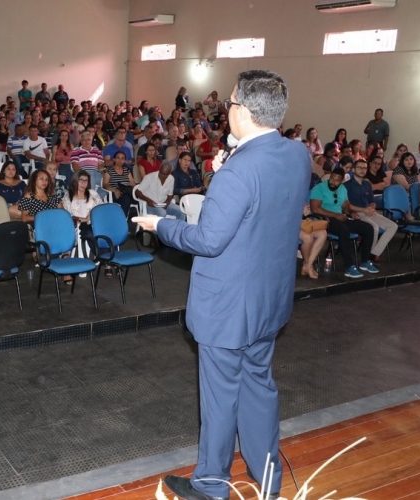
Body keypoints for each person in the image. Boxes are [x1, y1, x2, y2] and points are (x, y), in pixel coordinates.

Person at [134, 70, 310, 500]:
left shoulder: (237, 173)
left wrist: (161, 226)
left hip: (228, 306)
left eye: (230, 103)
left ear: (245, 112)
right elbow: (263, 203)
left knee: (220, 399)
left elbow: (208, 240)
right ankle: (267, 477)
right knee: (259, 387)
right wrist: (229, 163)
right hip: (268, 300)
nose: (224, 109)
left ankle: (211, 486)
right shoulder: (297, 155)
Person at [311, 169, 378, 278]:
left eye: (337, 180)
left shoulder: (342, 189)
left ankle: (365, 261)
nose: (333, 182)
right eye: (332, 178)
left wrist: (351, 213)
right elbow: (315, 209)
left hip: (340, 217)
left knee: (368, 228)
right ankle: (349, 266)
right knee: (344, 230)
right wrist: (336, 215)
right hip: (324, 219)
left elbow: (345, 206)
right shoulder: (319, 188)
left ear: (342, 181)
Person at [345, 160, 397, 263]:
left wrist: (371, 207)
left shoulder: (367, 184)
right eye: (359, 168)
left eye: (364, 168)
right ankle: (369, 255)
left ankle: (374, 252)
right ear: (354, 169)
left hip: (368, 211)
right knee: (374, 227)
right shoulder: (347, 185)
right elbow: (347, 205)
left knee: (393, 226)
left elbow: (372, 201)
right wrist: (364, 210)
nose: (362, 170)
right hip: (356, 213)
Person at [102, 151, 135, 217]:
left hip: (126, 192)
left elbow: (132, 183)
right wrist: (115, 190)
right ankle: (122, 219)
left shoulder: (126, 170)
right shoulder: (109, 170)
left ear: (125, 160)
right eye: (118, 158)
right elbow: (105, 184)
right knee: (126, 198)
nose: (120, 160)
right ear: (114, 159)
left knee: (132, 197)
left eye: (122, 158)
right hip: (114, 193)